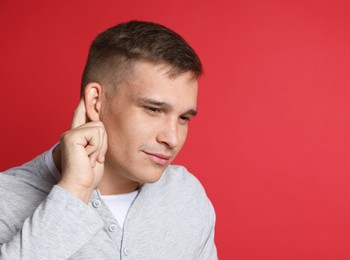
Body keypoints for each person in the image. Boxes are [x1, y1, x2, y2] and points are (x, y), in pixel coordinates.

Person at [0, 21, 217, 259]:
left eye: (184, 117)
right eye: (153, 109)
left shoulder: (186, 193)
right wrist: (75, 190)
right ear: (96, 102)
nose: (172, 139)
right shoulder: (6, 201)